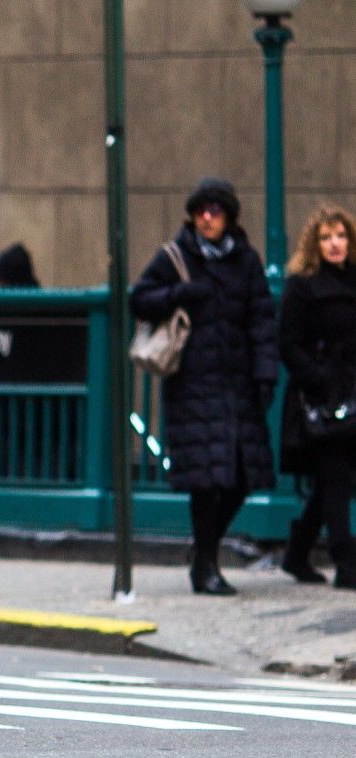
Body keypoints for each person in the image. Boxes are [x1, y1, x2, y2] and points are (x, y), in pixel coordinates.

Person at [128, 177, 278, 596]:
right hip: (193, 385)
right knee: (206, 481)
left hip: (239, 385)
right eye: (200, 211)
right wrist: (179, 293)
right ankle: (206, 567)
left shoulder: (245, 260)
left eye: (215, 211)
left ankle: (204, 548)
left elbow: (262, 321)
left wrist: (266, 373)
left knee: (245, 477)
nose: (207, 219)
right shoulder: (175, 255)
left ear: (229, 216)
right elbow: (138, 299)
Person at [277, 204, 356, 591]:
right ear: (315, 244)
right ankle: (346, 562)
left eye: (340, 235)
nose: (335, 244)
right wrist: (319, 377)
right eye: (326, 238)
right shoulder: (302, 285)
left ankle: (297, 551)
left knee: (334, 481)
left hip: (352, 388)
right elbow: (287, 344)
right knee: (336, 474)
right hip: (322, 395)